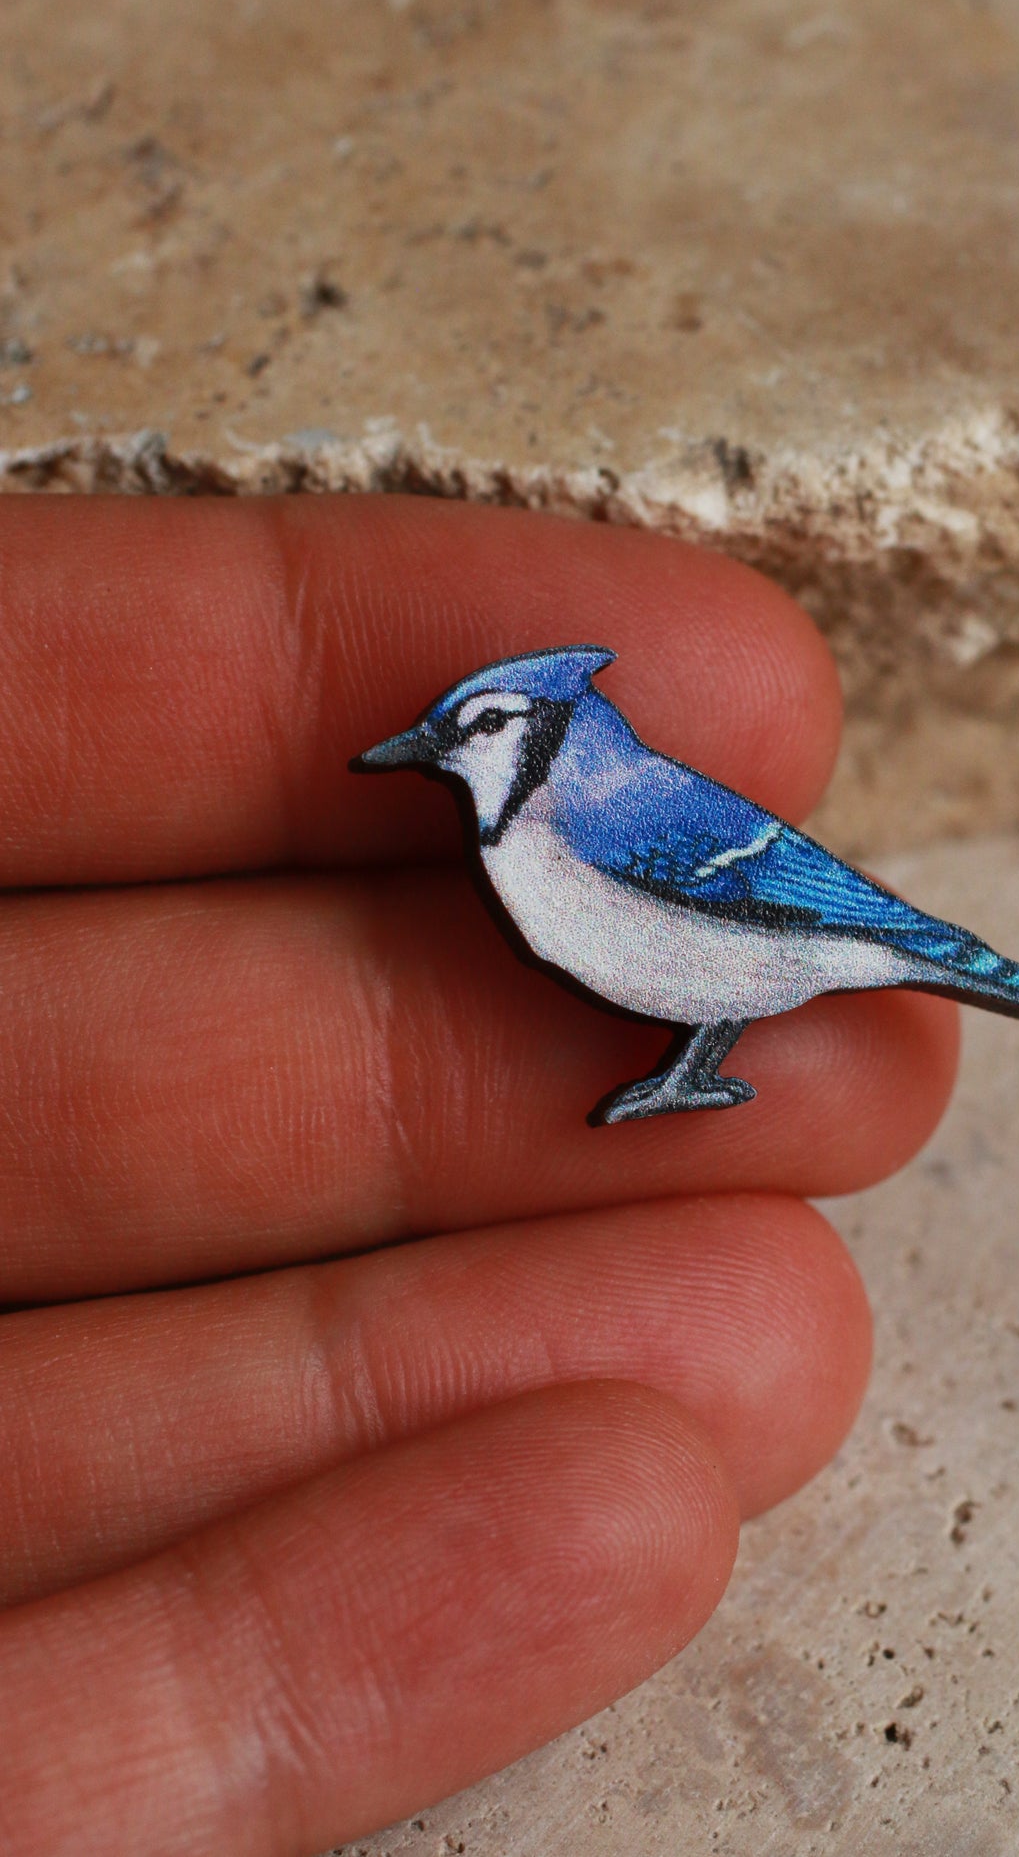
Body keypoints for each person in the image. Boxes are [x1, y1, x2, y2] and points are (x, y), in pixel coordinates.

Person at [0, 495, 958, 1855]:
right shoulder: (545, 837)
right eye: (450, 731)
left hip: (803, 937)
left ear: (549, 735)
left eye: (477, 730)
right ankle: (691, 1067)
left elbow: (766, 908)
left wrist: (911, 946)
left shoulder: (606, 817)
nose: (441, 751)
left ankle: (695, 1066)